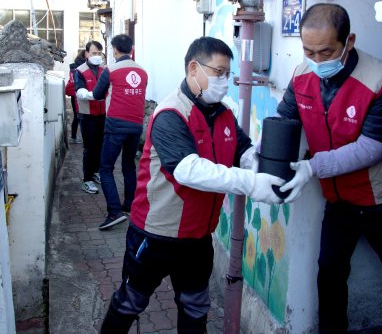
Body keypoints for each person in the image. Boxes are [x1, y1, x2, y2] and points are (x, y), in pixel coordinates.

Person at [100, 36, 285, 333]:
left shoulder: (223, 113)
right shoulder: (171, 113)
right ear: (194, 68)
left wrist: (269, 165)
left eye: (228, 73)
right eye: (219, 73)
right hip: (155, 234)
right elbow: (188, 170)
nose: (225, 81)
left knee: (195, 307)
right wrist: (252, 184)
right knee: (130, 302)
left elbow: (244, 151)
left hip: (198, 238)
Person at [276, 3, 382, 334]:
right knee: (330, 272)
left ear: (348, 42)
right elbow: (285, 121)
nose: (316, 60)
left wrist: (311, 167)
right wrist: (264, 153)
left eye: (326, 51)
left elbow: (370, 149)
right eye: (308, 51)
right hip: (340, 199)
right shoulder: (302, 75)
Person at [92, 34, 148, 230]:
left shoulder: (111, 69)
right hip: (136, 125)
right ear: (131, 49)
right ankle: (130, 205)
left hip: (115, 125)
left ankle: (114, 212)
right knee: (128, 166)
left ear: (115, 49)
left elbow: (97, 94)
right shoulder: (143, 72)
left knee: (106, 168)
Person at [75, 41, 106, 194]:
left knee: (100, 145)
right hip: (87, 115)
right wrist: (93, 95)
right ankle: (87, 179)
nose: (97, 56)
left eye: (99, 53)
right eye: (94, 53)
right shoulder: (80, 71)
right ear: (87, 54)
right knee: (90, 147)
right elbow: (79, 91)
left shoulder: (105, 69)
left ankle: (96, 172)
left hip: (103, 114)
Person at [65, 49, 86, 144]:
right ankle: (81, 138)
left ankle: (74, 136)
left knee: (77, 116)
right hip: (80, 93)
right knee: (81, 116)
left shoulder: (73, 67)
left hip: (74, 94)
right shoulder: (82, 67)